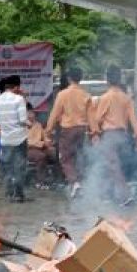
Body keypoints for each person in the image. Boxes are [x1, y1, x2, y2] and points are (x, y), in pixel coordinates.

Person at [89, 66, 137, 207]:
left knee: (113, 167)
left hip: (110, 136)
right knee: (113, 166)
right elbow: (134, 120)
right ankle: (108, 194)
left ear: (107, 79)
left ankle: (125, 196)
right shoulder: (126, 99)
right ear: (120, 79)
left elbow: (97, 119)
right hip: (124, 137)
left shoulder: (105, 98)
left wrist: (94, 133)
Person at [45, 67, 92, 197]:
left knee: (65, 158)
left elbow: (54, 114)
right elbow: (91, 116)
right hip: (82, 129)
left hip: (68, 129)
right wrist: (95, 132)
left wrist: (48, 131)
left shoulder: (63, 94)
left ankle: (75, 183)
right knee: (79, 156)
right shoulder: (86, 95)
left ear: (69, 78)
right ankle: (80, 184)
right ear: (80, 78)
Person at [0, 75, 29, 201]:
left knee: (8, 166)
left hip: (5, 139)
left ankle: (8, 192)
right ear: (16, 87)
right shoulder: (18, 99)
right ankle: (18, 194)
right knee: (19, 166)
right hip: (19, 138)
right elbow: (23, 120)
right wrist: (30, 124)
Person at [25, 106, 55, 187]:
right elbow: (27, 142)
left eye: (32, 113)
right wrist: (41, 144)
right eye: (28, 113)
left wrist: (48, 142)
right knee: (41, 156)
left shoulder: (38, 124)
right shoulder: (23, 126)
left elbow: (44, 136)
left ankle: (57, 179)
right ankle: (40, 181)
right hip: (28, 149)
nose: (31, 115)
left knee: (54, 153)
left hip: (40, 148)